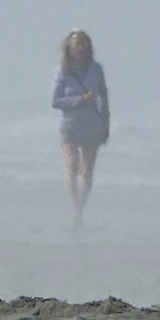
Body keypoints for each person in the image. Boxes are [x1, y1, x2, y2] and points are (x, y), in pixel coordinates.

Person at [51, 30, 108, 228]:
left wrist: (105, 124)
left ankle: (80, 208)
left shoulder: (96, 69)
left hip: (92, 124)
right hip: (70, 126)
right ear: (69, 47)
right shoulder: (63, 71)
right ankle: (74, 207)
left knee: (88, 169)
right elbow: (55, 101)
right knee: (72, 165)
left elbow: (104, 97)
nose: (80, 48)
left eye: (84, 44)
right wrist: (80, 99)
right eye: (77, 44)